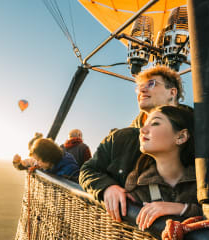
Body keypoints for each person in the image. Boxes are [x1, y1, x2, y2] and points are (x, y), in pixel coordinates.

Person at [79, 65, 186, 222]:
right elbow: (88, 170)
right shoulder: (120, 138)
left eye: (151, 84)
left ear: (172, 92)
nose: (142, 90)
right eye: (139, 87)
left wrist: (183, 208)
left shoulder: (199, 132)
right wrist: (107, 187)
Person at [125, 106, 202, 230]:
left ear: (181, 137)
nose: (142, 130)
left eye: (155, 123)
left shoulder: (206, 182)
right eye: (144, 124)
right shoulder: (137, 183)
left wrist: (183, 209)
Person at [13, 133, 80, 181]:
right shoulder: (47, 164)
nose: (37, 163)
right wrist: (16, 163)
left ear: (47, 157)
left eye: (38, 160)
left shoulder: (69, 171)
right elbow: (27, 164)